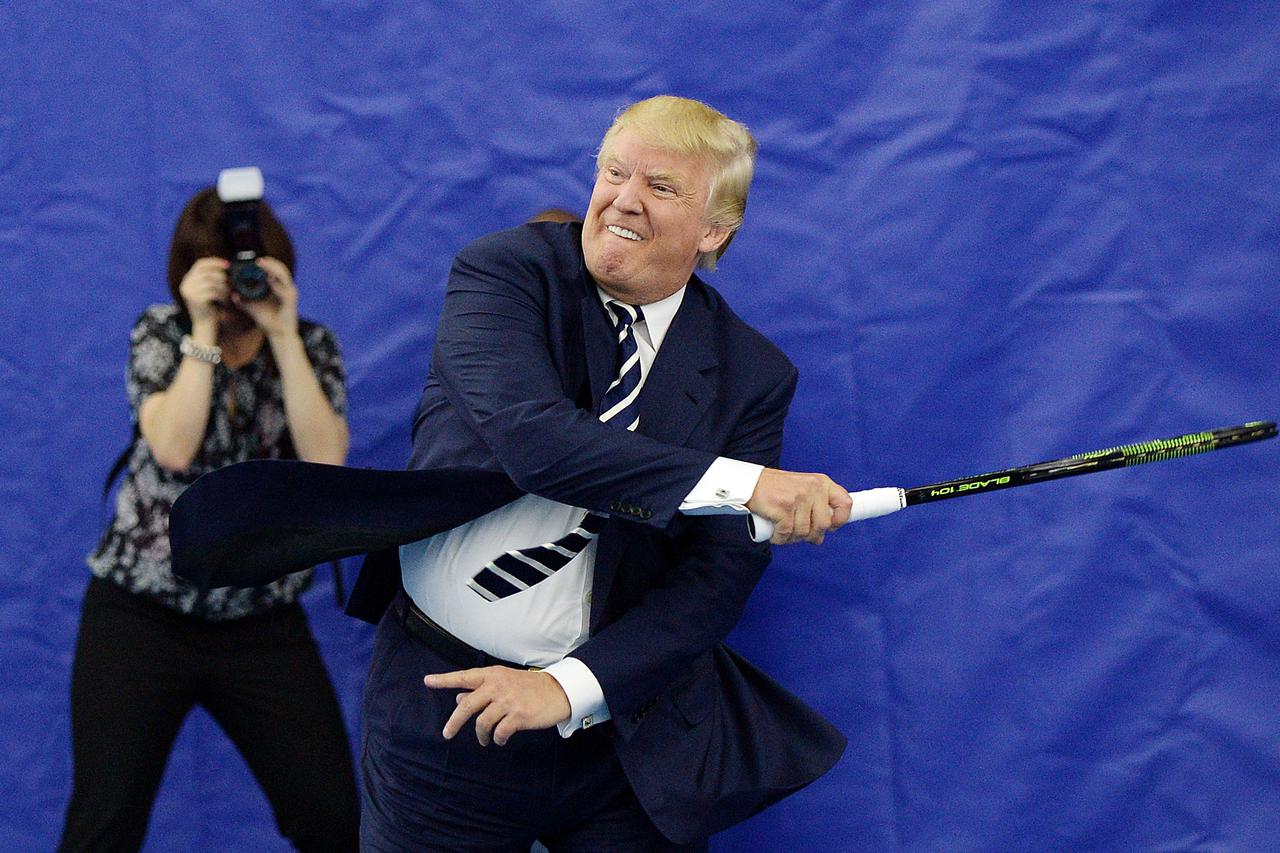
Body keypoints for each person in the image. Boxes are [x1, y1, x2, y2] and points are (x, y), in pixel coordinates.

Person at [168, 95, 854, 851]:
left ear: (715, 228)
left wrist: (567, 687)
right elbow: (539, 444)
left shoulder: (753, 375)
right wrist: (740, 483)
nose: (623, 198)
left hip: (620, 736)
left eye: (661, 187)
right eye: (614, 173)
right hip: (443, 712)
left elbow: (713, 581)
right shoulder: (504, 274)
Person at [59, 188, 360, 852]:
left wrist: (281, 333)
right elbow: (171, 448)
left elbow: (325, 463)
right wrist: (200, 330)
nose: (237, 291)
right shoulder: (159, 332)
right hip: (140, 614)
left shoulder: (308, 344)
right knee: (102, 825)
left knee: (336, 820)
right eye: (223, 276)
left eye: (247, 272)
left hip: (262, 621)